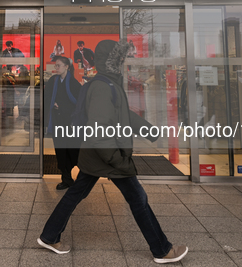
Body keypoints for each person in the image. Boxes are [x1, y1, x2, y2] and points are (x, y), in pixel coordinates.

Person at [37, 40, 188, 264]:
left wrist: (148, 129)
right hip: (106, 154)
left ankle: (49, 236)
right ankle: (162, 249)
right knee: (138, 198)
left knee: (75, 194)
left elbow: (120, 113)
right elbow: (99, 130)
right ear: (113, 62)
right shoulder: (102, 86)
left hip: (96, 155)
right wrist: (117, 159)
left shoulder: (109, 84)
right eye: (121, 60)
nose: (125, 64)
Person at [44, 56, 81, 190]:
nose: (56, 68)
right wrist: (51, 103)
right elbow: (46, 96)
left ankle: (81, 176)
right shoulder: (52, 81)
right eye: (55, 66)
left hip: (70, 123)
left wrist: (63, 107)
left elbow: (78, 104)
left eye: (58, 65)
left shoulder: (74, 83)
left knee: (72, 150)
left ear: (66, 67)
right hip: (57, 122)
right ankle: (66, 179)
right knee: (60, 151)